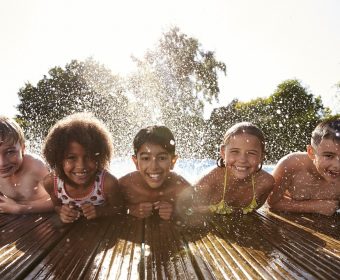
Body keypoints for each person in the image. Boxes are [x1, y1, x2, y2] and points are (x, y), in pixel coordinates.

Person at [42, 113, 122, 223]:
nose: (81, 166)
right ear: (58, 159)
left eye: (88, 156)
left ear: (99, 156)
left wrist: (100, 211)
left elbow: (119, 208)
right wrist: (62, 211)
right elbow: (56, 206)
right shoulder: (51, 182)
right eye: (71, 157)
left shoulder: (108, 183)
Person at [193, 122, 275, 215]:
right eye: (235, 151)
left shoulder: (265, 182)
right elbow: (187, 210)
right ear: (223, 153)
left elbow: (254, 211)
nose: (242, 159)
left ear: (261, 156)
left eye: (251, 153)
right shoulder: (210, 180)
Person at [267, 117, 340, 216]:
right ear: (311, 153)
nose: (337, 165)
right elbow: (273, 202)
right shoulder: (291, 164)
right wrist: (315, 206)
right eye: (328, 156)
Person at [119, 125, 191, 220]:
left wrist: (176, 212)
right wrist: (130, 210)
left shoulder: (180, 186)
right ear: (136, 162)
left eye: (162, 158)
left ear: (173, 161)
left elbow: (197, 210)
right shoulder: (126, 185)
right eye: (146, 158)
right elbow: (111, 208)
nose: (154, 167)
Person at [0, 116, 53, 214]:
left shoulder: (35, 166)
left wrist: (19, 209)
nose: (2, 163)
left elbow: (60, 200)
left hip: (47, 217)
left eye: (10, 152)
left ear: (23, 149)